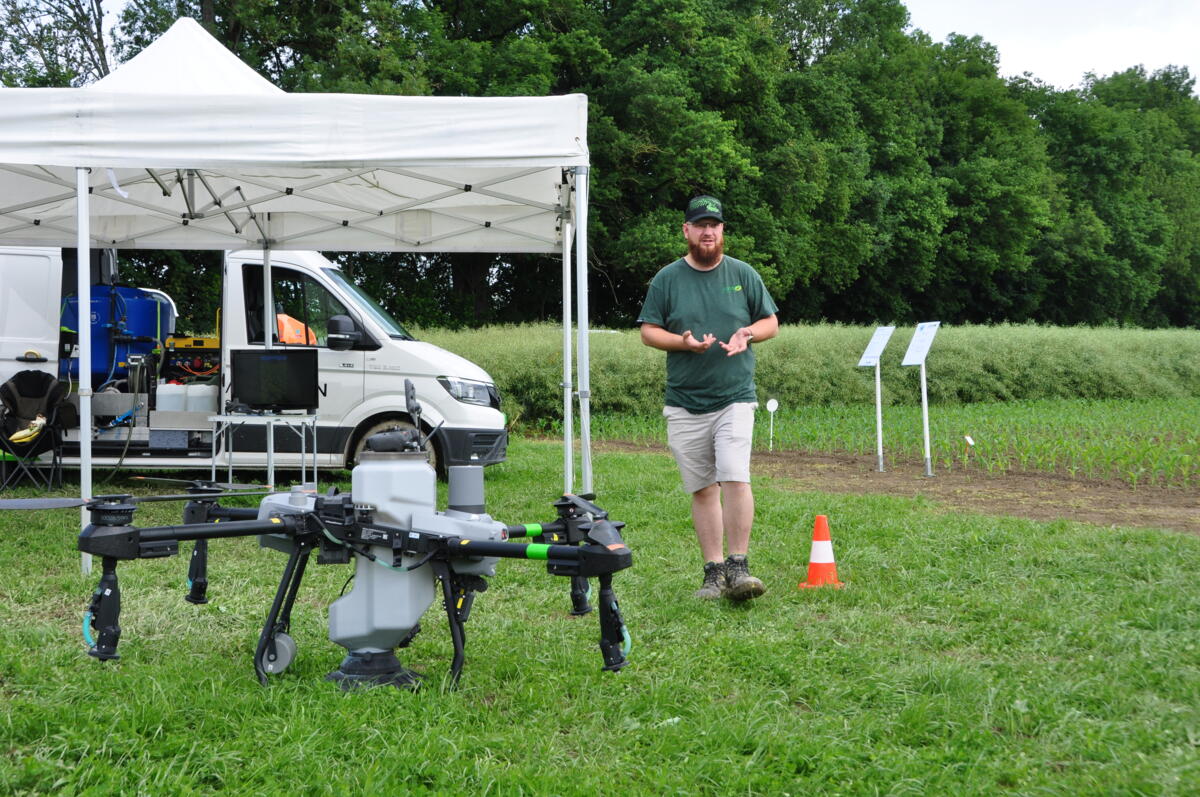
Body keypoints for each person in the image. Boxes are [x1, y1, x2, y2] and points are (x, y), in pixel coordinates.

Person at [637, 195, 779, 600]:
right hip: (685, 400)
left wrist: (747, 333)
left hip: (735, 394)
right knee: (702, 488)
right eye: (700, 225)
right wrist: (682, 342)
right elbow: (649, 331)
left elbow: (771, 321)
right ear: (686, 230)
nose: (707, 232)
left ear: (722, 231)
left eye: (714, 225)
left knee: (734, 474)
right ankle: (714, 572)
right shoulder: (667, 279)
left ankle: (739, 566)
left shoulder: (743, 274)